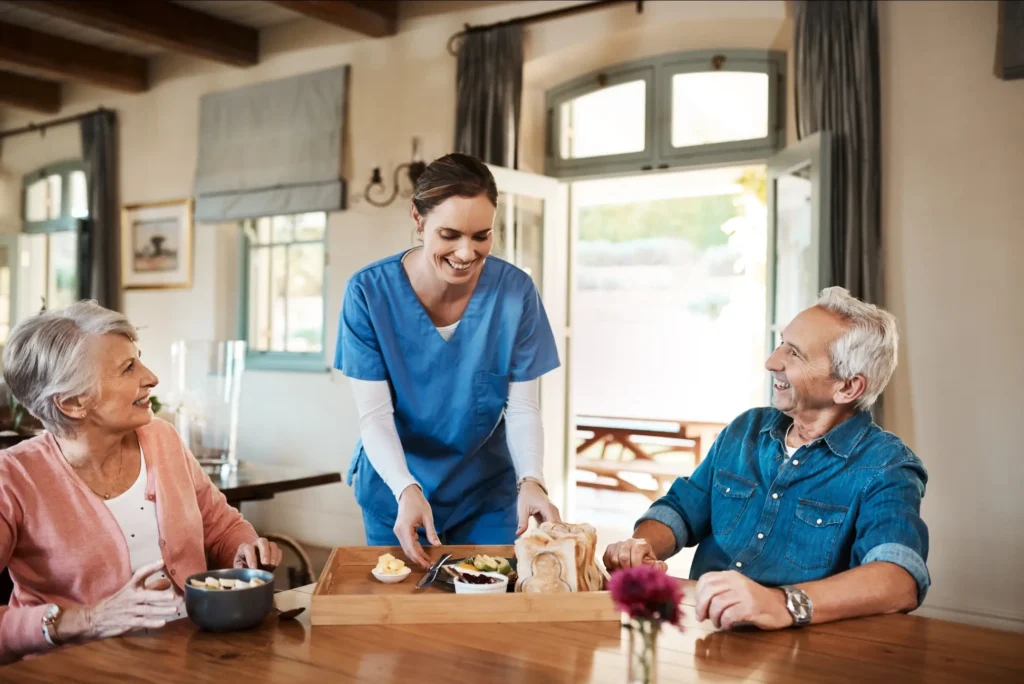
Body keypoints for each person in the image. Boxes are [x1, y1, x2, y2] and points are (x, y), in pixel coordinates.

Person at [603, 287, 929, 630]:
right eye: (781, 343)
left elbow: (899, 581)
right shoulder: (746, 429)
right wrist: (642, 546)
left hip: (801, 652)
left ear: (848, 388)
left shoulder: (887, 467)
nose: (772, 362)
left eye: (795, 354)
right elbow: (681, 509)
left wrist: (782, 603)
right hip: (701, 634)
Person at [0, 302, 282, 663]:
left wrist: (244, 548)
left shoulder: (161, 437)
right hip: (79, 670)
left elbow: (220, 524)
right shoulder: (13, 478)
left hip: (191, 653)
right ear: (73, 402)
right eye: (128, 368)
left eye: (139, 359)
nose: (151, 377)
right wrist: (87, 619)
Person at [336, 153, 562, 568]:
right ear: (418, 220)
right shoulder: (369, 294)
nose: (466, 252)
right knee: (399, 617)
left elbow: (523, 406)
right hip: (396, 488)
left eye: (481, 236)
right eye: (450, 234)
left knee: (484, 616)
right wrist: (406, 488)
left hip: (484, 496)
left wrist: (532, 480)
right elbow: (375, 416)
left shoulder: (514, 293)